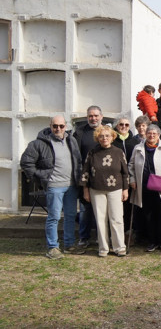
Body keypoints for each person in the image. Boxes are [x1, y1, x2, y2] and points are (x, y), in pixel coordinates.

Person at [20, 115, 83, 259]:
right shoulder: (38, 143)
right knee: (54, 217)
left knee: (70, 216)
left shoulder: (71, 140)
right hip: (54, 186)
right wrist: (41, 177)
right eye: (55, 126)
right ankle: (52, 247)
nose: (58, 129)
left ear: (65, 126)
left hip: (71, 186)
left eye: (61, 126)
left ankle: (69, 244)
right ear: (50, 126)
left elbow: (77, 161)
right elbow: (26, 163)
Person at [128, 124, 161, 252]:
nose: (151, 135)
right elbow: (131, 165)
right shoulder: (138, 148)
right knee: (149, 216)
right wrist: (132, 179)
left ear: (159, 135)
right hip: (145, 187)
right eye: (149, 133)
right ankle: (152, 241)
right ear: (145, 134)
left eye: (154, 133)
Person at [81, 125, 129, 257]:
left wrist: (125, 189)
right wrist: (86, 190)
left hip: (115, 189)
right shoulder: (92, 152)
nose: (104, 138)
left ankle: (119, 247)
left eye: (107, 135)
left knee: (116, 218)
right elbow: (85, 172)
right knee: (100, 220)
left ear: (112, 137)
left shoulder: (118, 152)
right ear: (97, 138)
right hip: (96, 190)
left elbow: (125, 173)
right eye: (101, 136)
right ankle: (103, 248)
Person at [74, 105, 104, 248]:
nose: (93, 118)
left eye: (96, 115)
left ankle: (101, 237)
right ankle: (84, 238)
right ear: (87, 117)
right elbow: (76, 156)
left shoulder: (106, 132)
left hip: (103, 179)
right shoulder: (80, 133)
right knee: (85, 210)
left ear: (101, 117)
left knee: (102, 210)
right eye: (91, 116)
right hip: (85, 177)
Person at [112, 117, 140, 233]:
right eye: (121, 124)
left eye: (127, 125)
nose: (124, 127)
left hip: (131, 177)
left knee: (129, 206)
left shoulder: (134, 142)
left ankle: (128, 231)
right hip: (116, 178)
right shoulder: (112, 141)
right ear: (117, 126)